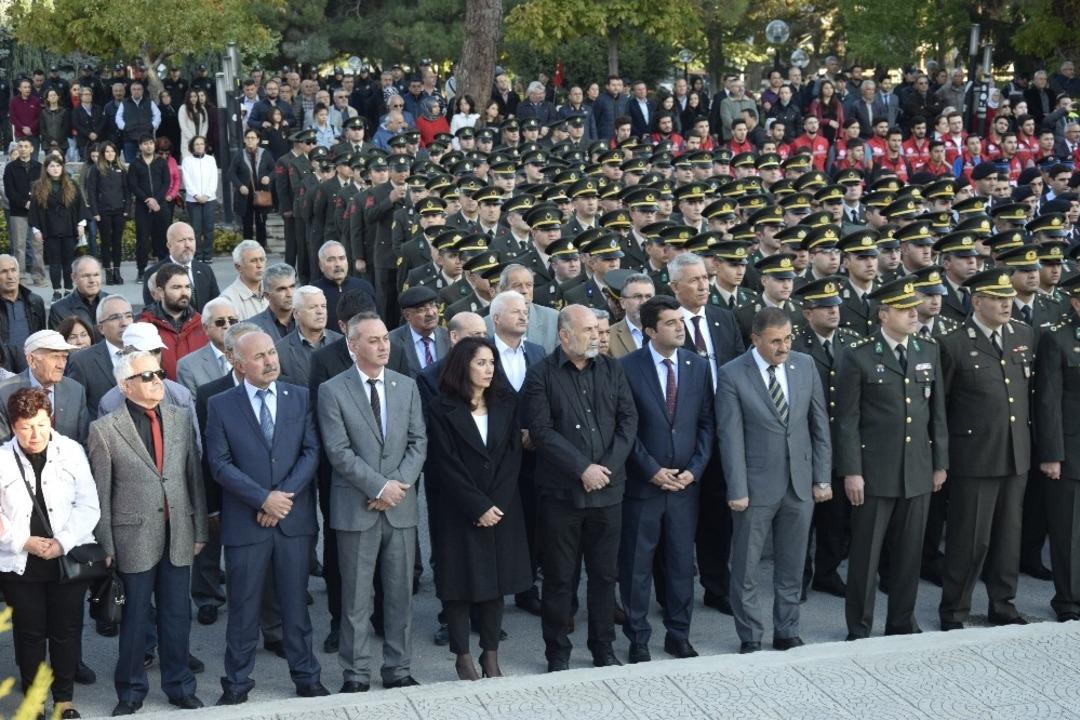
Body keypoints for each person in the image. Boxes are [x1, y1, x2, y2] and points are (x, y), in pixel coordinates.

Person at [205, 330, 327, 704]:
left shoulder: (299, 397)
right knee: (242, 608)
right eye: (259, 356)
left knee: (295, 605)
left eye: (272, 352)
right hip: (247, 523)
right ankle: (237, 683)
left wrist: (281, 500)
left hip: (292, 521)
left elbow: (311, 451)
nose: (270, 360)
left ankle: (306, 677)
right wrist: (262, 500)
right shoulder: (220, 404)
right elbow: (219, 464)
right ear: (239, 365)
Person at [88, 349, 208, 715]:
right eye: (147, 376)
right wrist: (106, 543)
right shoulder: (105, 430)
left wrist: (199, 528)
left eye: (159, 373)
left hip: (178, 534)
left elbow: (193, 478)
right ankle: (130, 692)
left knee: (177, 615)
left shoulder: (180, 417)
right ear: (125, 386)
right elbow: (101, 492)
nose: (158, 380)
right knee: (135, 619)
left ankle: (179, 685)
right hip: (131, 539)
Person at [522, 304, 638, 671]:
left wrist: (605, 468)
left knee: (605, 577)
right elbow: (540, 431)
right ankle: (557, 652)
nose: (596, 336)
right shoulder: (541, 375)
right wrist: (582, 469)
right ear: (564, 335)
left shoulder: (612, 369)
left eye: (598, 329)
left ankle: (603, 648)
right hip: (562, 496)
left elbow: (628, 421)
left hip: (609, 492)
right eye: (588, 330)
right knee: (559, 578)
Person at [318, 311, 426, 692]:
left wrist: (396, 487)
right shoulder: (332, 390)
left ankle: (398, 669)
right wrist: (380, 488)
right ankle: (356, 673)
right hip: (357, 509)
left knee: (400, 595)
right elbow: (338, 451)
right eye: (374, 340)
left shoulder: (405, 386)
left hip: (400, 509)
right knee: (356, 600)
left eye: (385, 338)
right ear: (353, 346)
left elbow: (418, 442)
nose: (384, 346)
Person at [835, 278, 948, 639]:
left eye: (914, 307)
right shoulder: (860, 354)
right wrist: (852, 471)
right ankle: (860, 626)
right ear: (884, 314)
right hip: (875, 472)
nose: (913, 313)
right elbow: (847, 420)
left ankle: (902, 621)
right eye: (904, 308)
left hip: (916, 468)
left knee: (909, 554)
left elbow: (937, 413)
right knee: (867, 556)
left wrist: (939, 462)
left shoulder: (927, 349)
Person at [715, 307, 832, 654]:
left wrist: (822, 478)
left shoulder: (804, 365)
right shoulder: (733, 374)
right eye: (775, 341)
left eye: (788, 339)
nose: (784, 347)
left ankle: (787, 630)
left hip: (800, 485)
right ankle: (750, 634)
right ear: (756, 340)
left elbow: (819, 425)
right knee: (746, 568)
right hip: (754, 488)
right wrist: (737, 490)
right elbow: (730, 436)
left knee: (792, 564)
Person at [425, 336, 532, 680]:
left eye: (491, 363)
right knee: (459, 585)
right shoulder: (441, 407)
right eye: (481, 363)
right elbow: (445, 463)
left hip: (501, 508)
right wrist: (477, 506)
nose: (488, 370)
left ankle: (490, 653)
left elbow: (512, 456)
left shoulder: (505, 402)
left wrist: (495, 504)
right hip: (459, 510)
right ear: (463, 366)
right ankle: (463, 655)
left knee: (494, 584)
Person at [618, 296, 714, 663]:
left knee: (679, 566)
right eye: (671, 322)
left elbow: (706, 423)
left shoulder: (697, 365)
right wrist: (651, 470)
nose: (680, 327)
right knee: (636, 567)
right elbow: (626, 429)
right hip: (644, 486)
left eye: (681, 321)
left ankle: (679, 634)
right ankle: (638, 638)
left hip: (685, 487)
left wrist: (695, 469)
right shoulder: (627, 368)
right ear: (650, 330)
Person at [938, 269, 1034, 631]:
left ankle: (1003, 605)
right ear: (977, 301)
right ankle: (955, 610)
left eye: (1008, 296)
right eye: (996, 297)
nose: (1005, 302)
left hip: (1015, 454)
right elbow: (941, 409)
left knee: (1009, 538)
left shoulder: (1024, 335)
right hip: (974, 459)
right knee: (969, 539)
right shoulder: (954, 343)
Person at [0, 387, 100, 720]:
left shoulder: (71, 451)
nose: (35, 434)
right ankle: (35, 702)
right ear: (13, 425)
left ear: (50, 419)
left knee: (66, 630)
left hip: (64, 558)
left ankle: (63, 700)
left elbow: (88, 505)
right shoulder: (2, 459)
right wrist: (24, 541)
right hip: (20, 562)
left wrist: (62, 542)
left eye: (42, 425)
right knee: (29, 634)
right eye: (27, 426)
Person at [1033, 274, 1080, 622]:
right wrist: (1051, 454)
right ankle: (1068, 599)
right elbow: (1047, 401)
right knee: (1068, 533)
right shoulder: (1057, 338)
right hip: (1070, 451)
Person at [0, 329, 89, 445]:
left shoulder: (75, 390)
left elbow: (85, 441)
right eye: (55, 357)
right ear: (31, 360)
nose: (61, 365)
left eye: (64, 357)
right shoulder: (4, 393)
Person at [28, 154, 88, 302]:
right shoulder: (38, 186)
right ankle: (56, 291)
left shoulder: (71, 184)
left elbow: (80, 205)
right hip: (50, 229)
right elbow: (34, 209)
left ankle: (68, 290)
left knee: (68, 262)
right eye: (52, 166)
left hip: (69, 228)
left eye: (58, 166)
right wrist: (36, 230)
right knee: (54, 262)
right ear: (46, 169)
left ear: (62, 167)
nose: (55, 169)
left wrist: (81, 224)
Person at [138, 263, 209, 380]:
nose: (184, 292)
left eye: (187, 287)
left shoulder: (203, 324)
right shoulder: (143, 326)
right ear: (160, 292)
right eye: (177, 287)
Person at [66, 295, 133, 418]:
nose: (124, 323)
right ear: (101, 328)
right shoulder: (82, 361)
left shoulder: (148, 352)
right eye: (115, 318)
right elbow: (75, 410)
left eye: (128, 316)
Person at [142, 222, 221, 314]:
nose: (187, 245)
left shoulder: (205, 270)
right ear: (169, 245)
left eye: (191, 239)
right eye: (181, 240)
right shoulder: (154, 273)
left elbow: (216, 303)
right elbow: (152, 311)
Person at [275, 285, 341, 385]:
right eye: (312, 307)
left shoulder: (341, 343)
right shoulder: (280, 350)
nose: (320, 311)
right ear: (296, 314)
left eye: (323, 306)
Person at [83, 141, 129, 285]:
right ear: (103, 154)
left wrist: (127, 209)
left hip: (119, 210)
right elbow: (91, 191)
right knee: (106, 242)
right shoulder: (96, 169)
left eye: (112, 151)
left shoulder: (121, 168)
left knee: (117, 242)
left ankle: (117, 271)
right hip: (103, 211)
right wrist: (95, 211)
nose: (110, 154)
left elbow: (127, 191)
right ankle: (108, 272)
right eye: (107, 151)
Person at [127, 135, 170, 282]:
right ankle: (141, 270)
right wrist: (147, 200)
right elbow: (133, 185)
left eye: (151, 143)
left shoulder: (161, 163)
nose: (149, 146)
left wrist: (156, 200)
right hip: (143, 206)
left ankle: (163, 271)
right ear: (140, 146)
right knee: (142, 239)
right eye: (145, 144)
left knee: (162, 238)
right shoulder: (135, 164)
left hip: (160, 206)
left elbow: (166, 183)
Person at [3, 138, 46, 287]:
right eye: (20, 146)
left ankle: (38, 277)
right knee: (19, 246)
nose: (22, 149)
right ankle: (19, 277)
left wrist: (33, 203)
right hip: (17, 212)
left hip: (37, 213)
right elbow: (10, 191)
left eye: (26, 146)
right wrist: (24, 203)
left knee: (37, 246)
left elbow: (43, 189)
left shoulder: (39, 167)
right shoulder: (10, 168)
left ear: (32, 149)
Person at [176, 297, 238, 394]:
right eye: (220, 322)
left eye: (232, 321)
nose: (227, 325)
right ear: (205, 328)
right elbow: (192, 406)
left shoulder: (250, 355)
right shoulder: (188, 365)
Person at [228, 128, 275, 248]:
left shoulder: (265, 154)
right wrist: (240, 186)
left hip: (261, 193)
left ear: (258, 140)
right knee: (247, 223)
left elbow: (275, 170)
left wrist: (269, 178)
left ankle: (261, 248)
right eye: (248, 138)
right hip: (245, 194)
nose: (250, 140)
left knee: (261, 222)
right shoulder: (239, 154)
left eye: (253, 138)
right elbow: (231, 173)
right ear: (244, 139)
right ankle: (247, 248)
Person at [389, 285, 450, 377]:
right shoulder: (392, 341)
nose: (430, 313)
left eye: (433, 306)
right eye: (422, 310)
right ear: (407, 316)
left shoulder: (448, 336)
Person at [180, 136, 218, 263]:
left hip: (209, 199)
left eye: (202, 143)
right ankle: (197, 255)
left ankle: (207, 255)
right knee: (195, 230)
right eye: (197, 144)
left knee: (208, 228)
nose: (199, 146)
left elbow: (214, 178)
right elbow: (187, 180)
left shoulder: (211, 160)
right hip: (193, 200)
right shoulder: (187, 161)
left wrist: (207, 195)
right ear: (192, 146)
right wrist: (196, 195)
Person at [47, 256, 103, 338]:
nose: (92, 280)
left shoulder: (115, 304)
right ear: (74, 278)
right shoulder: (59, 309)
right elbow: (58, 347)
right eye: (86, 276)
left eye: (96, 275)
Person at [218, 241, 268, 321]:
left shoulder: (274, 290)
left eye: (262, 260)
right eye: (253, 261)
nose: (259, 265)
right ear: (238, 267)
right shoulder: (228, 300)